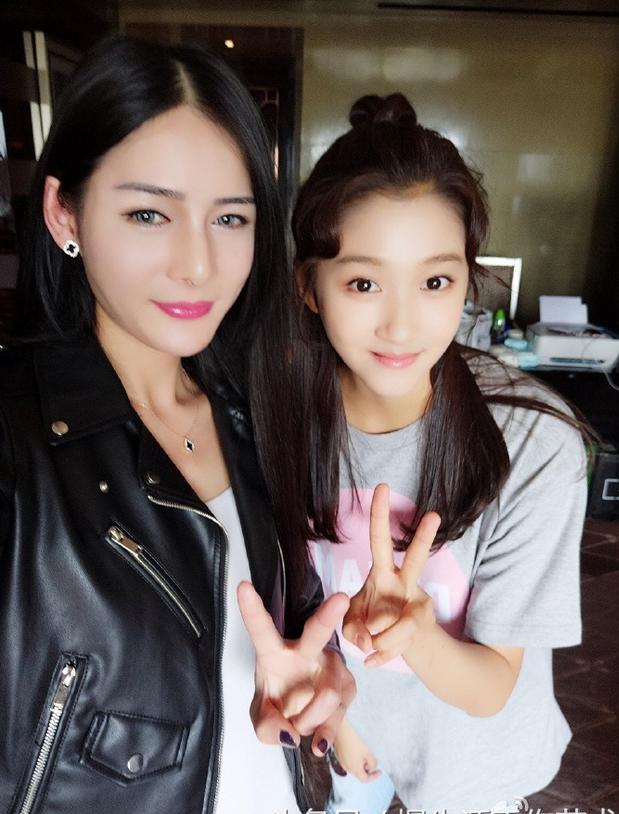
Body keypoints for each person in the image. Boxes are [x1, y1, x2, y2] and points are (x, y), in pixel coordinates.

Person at [0, 36, 355, 814]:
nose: (197, 264)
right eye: (148, 213)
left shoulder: (256, 413)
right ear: (64, 212)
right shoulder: (17, 443)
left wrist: (320, 674)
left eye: (229, 218)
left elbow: (284, 623)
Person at [264, 93, 588, 813]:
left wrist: (417, 634)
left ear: (468, 279)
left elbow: (491, 685)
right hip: (350, 737)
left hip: (476, 762)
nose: (402, 325)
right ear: (309, 288)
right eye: (363, 283)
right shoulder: (279, 417)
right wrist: (341, 716)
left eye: (435, 282)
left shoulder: (533, 441)